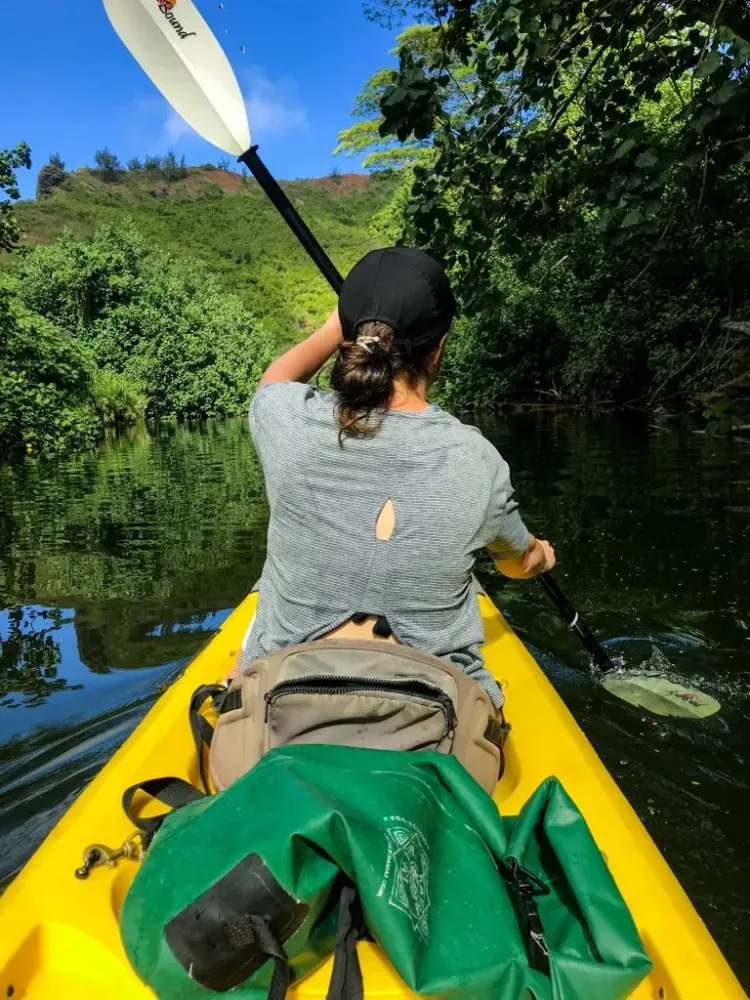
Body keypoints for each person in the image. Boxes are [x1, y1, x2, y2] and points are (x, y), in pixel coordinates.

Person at [243, 247, 555, 708]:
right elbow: (518, 563)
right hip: (429, 720)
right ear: (440, 348)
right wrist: (542, 557)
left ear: (348, 338)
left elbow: (274, 382)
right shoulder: (477, 459)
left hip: (284, 707)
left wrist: (338, 325)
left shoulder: (284, 420)